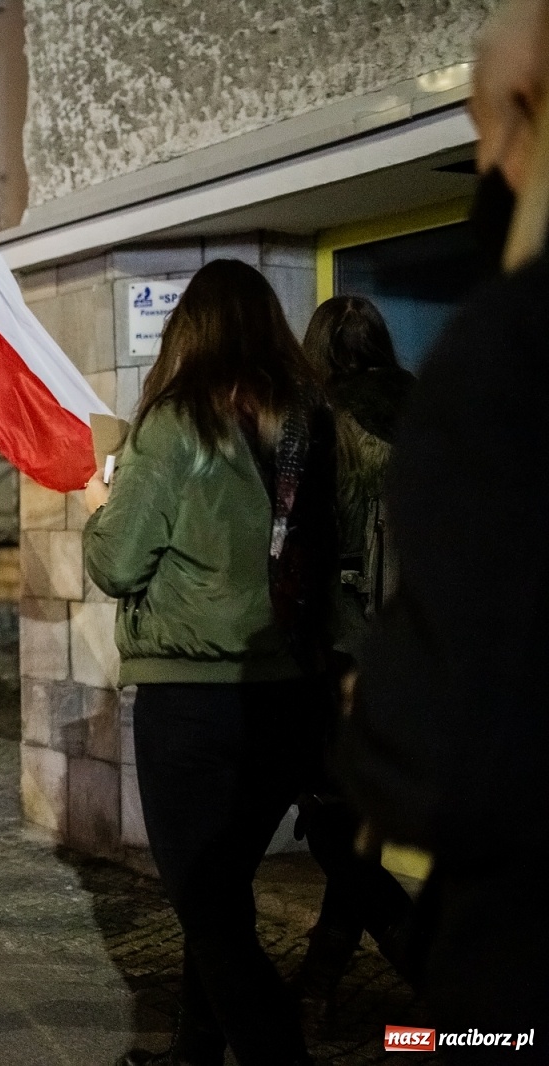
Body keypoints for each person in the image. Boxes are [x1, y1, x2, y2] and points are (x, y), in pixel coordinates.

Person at [339, 0, 549, 1048]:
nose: (483, 157)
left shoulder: (512, 356)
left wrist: (375, 704)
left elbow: (456, 749)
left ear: (526, 104)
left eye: (478, 119)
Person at [83, 260, 336, 1066]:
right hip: (288, 694)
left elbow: (118, 562)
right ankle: (194, 1053)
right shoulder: (310, 420)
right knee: (221, 893)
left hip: (192, 700)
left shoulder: (177, 421)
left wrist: (97, 506)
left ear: (187, 332)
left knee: (208, 907)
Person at [289, 296, 416, 1024]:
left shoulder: (322, 421)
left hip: (343, 649)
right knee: (356, 821)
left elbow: (304, 539)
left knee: (334, 819)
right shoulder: (431, 412)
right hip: (422, 648)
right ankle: (318, 980)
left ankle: (435, 968)